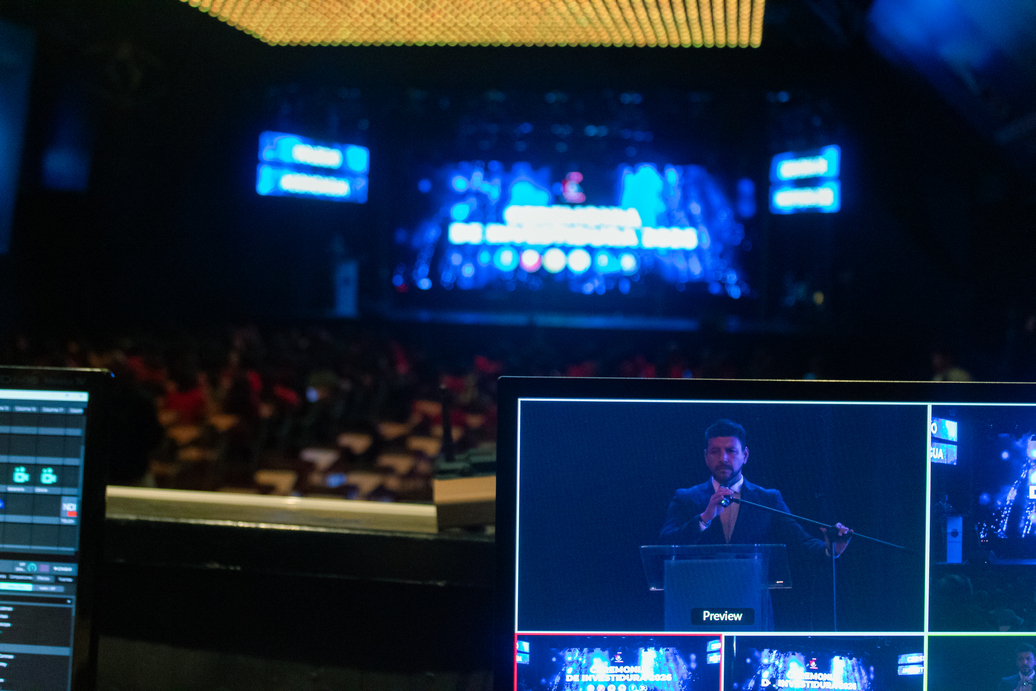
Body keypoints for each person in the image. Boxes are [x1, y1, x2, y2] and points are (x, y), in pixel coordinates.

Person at [660, 419, 851, 557]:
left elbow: (801, 542)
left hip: (751, 597)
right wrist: (704, 518)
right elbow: (664, 545)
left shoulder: (768, 499)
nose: (723, 458)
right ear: (706, 457)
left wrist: (830, 550)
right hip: (699, 596)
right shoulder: (685, 498)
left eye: (731, 451)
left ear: (745, 455)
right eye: (715, 451)